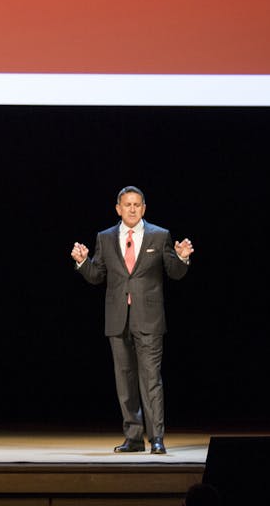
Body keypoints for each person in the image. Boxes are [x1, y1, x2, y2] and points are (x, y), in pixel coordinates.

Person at [71, 185, 193, 455]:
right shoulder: (105, 238)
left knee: (151, 379)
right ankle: (134, 437)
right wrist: (83, 263)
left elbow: (173, 271)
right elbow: (97, 275)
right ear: (118, 209)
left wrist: (182, 258)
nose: (132, 209)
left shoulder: (159, 236)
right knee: (124, 381)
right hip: (117, 319)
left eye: (137, 204)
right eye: (127, 205)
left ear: (144, 208)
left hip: (148, 319)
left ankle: (157, 437)